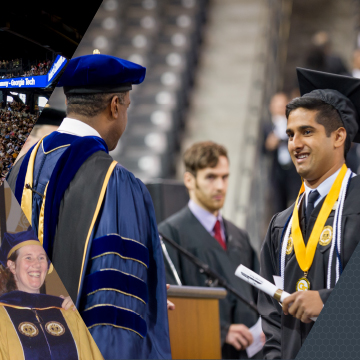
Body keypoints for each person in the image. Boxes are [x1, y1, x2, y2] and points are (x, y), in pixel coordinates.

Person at [7, 54, 171, 359]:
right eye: (127, 107)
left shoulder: (18, 171)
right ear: (115, 106)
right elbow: (115, 310)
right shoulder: (116, 184)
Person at [258, 68, 360, 359]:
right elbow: (271, 316)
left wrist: (329, 303)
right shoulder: (281, 224)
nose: (294, 144)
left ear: (338, 136)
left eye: (306, 132)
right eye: (290, 134)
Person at [158, 141, 262, 359]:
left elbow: (258, 294)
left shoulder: (239, 236)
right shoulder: (169, 235)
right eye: (211, 177)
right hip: (205, 350)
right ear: (189, 180)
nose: (220, 186)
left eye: (225, 177)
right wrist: (222, 331)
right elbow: (173, 304)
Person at [0, 228, 103, 360]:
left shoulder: (66, 311)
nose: (36, 264)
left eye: (41, 257)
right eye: (28, 257)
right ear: (12, 266)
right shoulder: (2, 315)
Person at [264, 93, 302, 214]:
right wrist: (269, 144)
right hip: (278, 171)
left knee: (298, 201)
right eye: (277, 105)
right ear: (271, 107)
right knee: (278, 204)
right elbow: (264, 149)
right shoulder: (268, 126)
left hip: (295, 170)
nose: (280, 108)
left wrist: (282, 139)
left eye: (283, 105)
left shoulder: (294, 124)